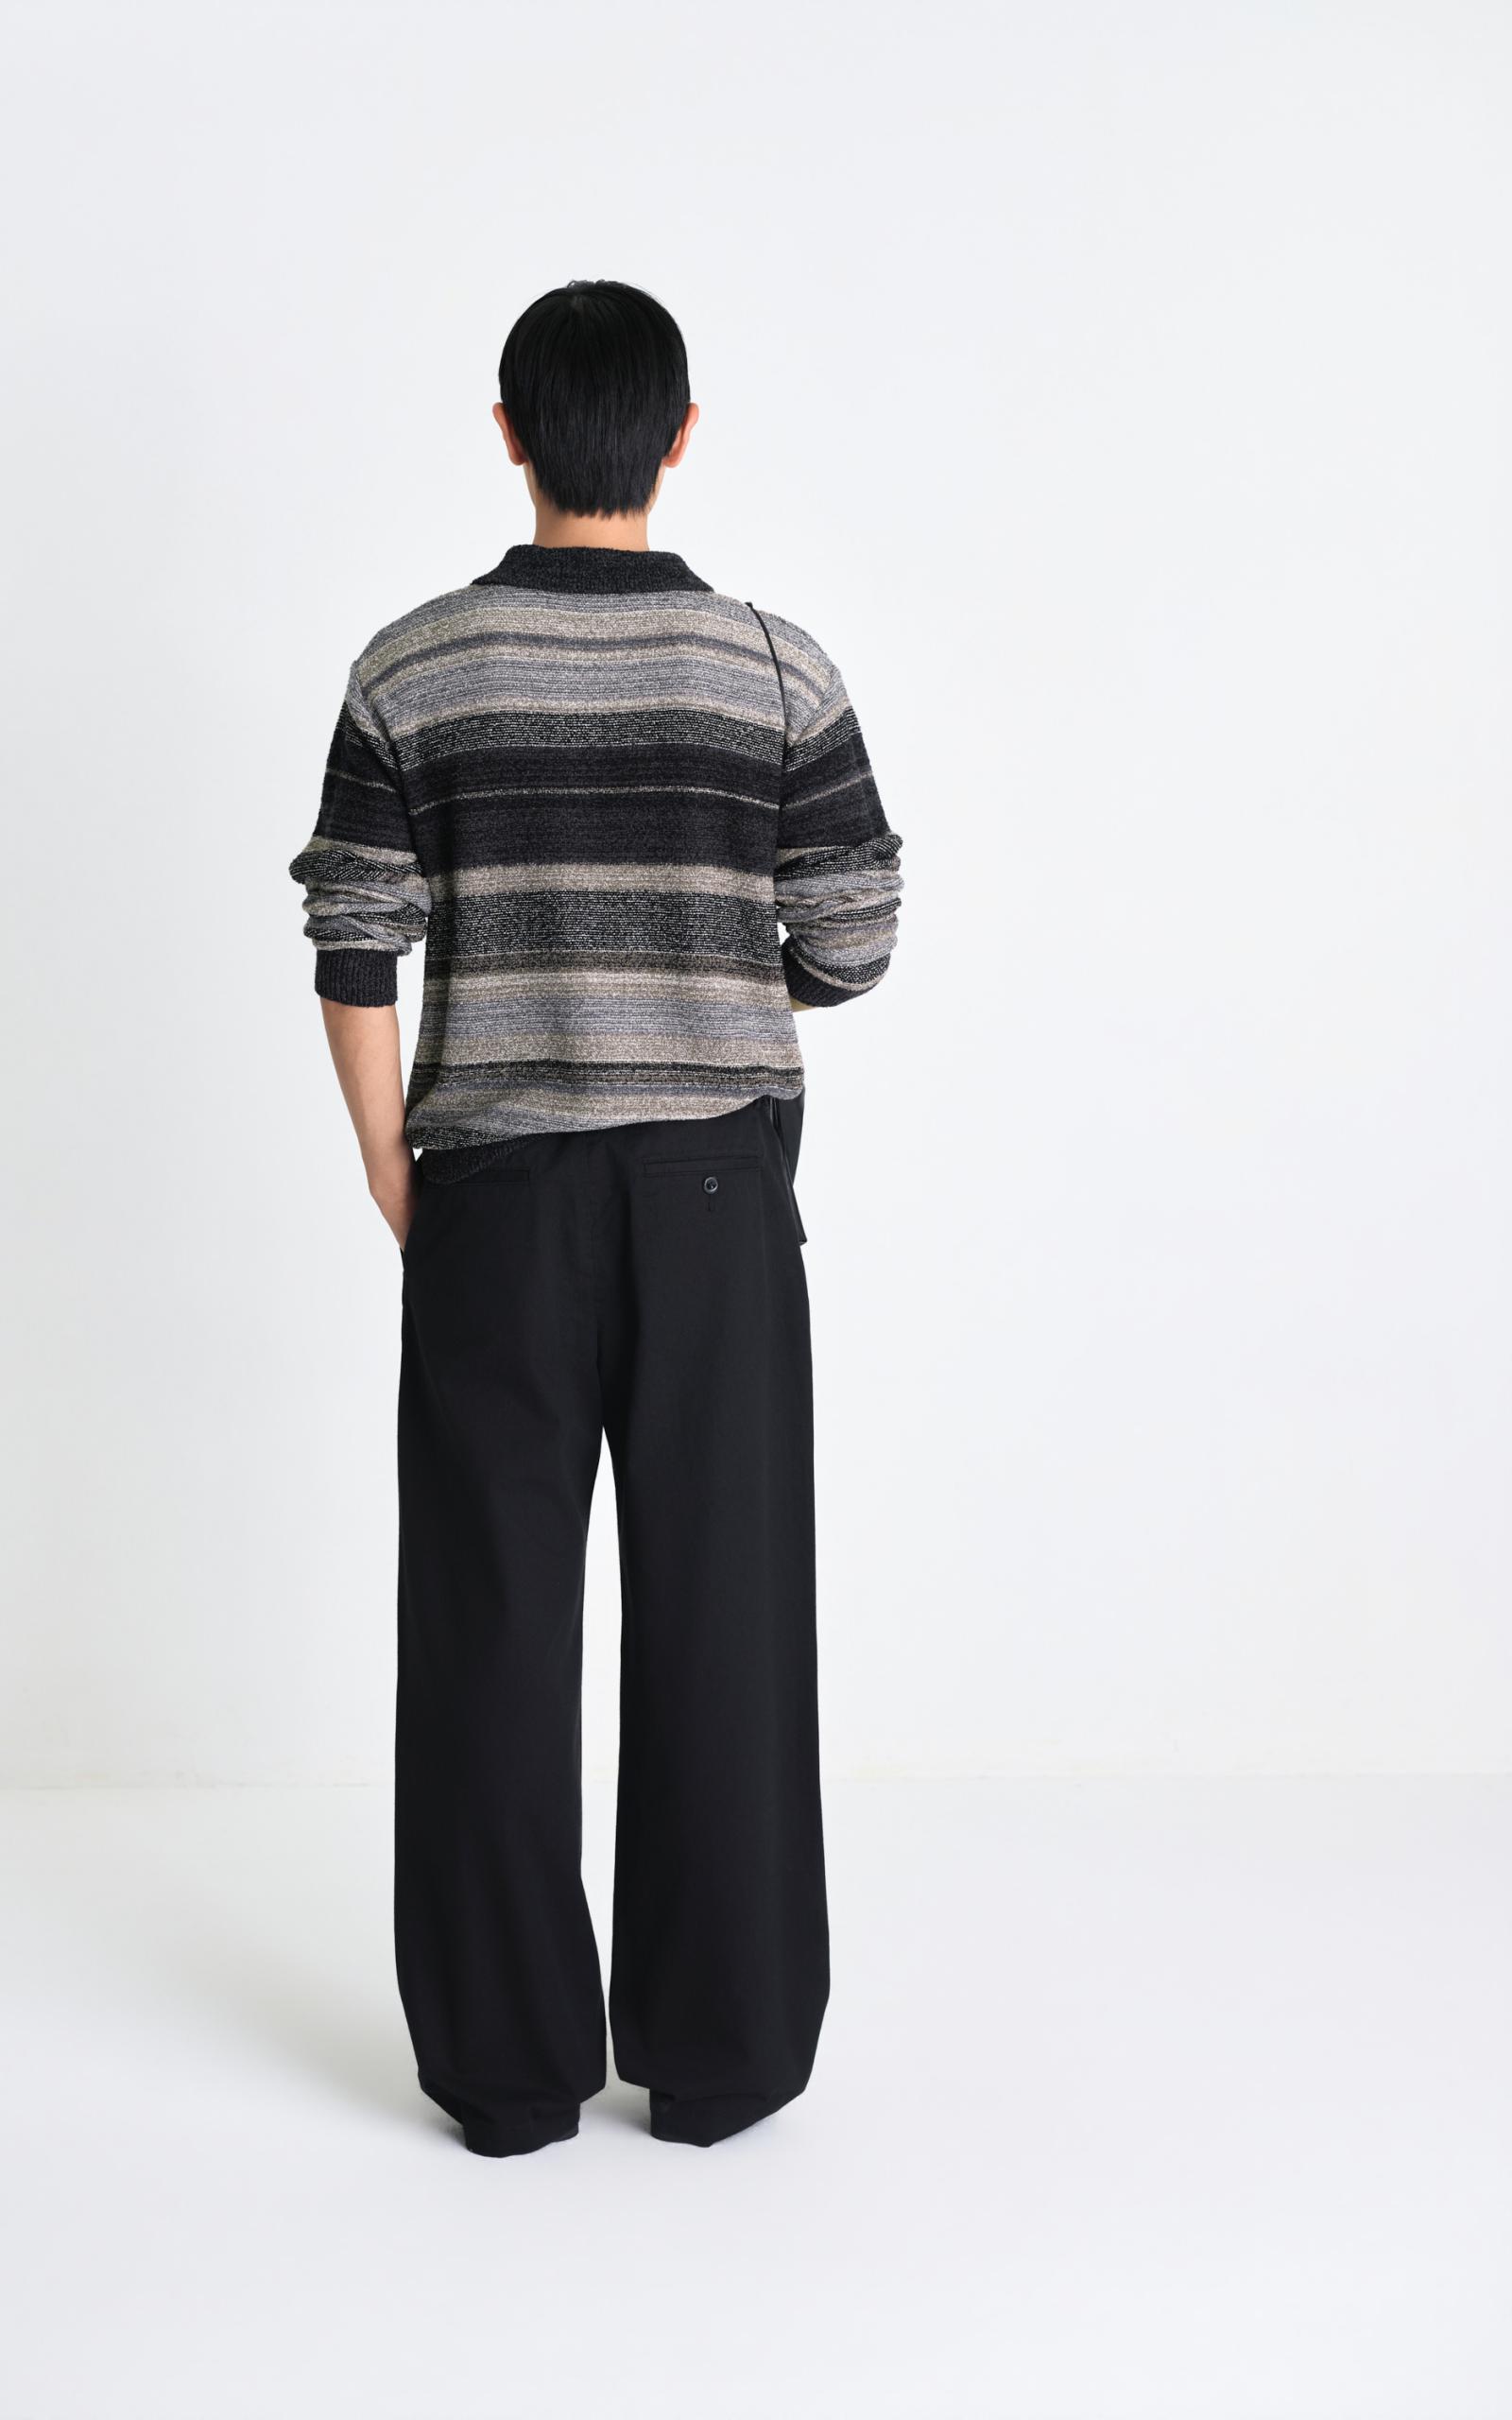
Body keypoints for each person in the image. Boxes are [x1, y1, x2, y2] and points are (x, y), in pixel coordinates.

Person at [288, 280, 902, 2156]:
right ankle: (723, 2062)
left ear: (511, 433)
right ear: (680, 436)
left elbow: (353, 936)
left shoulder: (412, 668)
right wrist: (709, 971)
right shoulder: (772, 668)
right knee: (727, 1616)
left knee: (488, 1624)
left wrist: (393, 1167)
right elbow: (857, 932)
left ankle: (504, 2076)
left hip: (490, 1198)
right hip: (714, 1199)